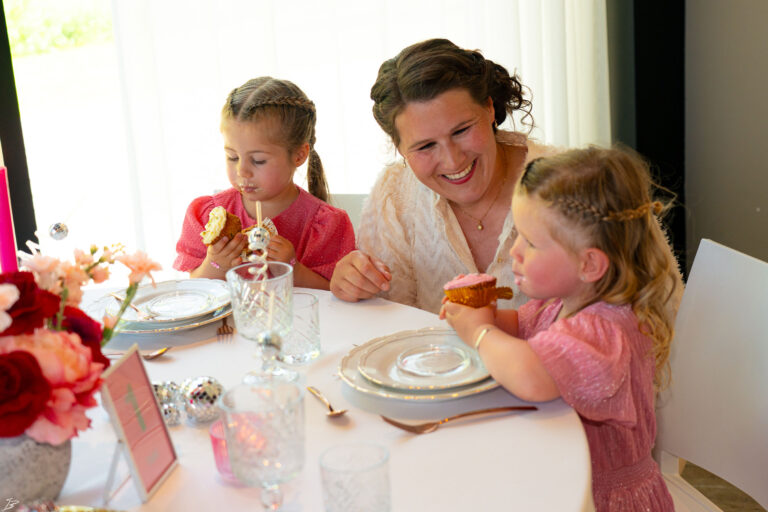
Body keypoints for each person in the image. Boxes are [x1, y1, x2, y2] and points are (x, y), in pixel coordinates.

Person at [441, 146, 683, 511]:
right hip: (562, 475)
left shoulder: (605, 333)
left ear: (589, 264)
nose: (514, 253)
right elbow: (523, 331)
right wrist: (481, 314)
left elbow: (530, 374)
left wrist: (479, 333)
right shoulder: (562, 302)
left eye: (532, 243)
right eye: (518, 235)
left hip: (600, 499)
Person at [329, 38, 557, 314]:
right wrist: (356, 287)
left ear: (489, 108)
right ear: (399, 148)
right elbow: (389, 322)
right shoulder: (394, 196)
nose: (452, 160)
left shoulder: (568, 184)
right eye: (425, 146)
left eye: (461, 131)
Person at [174, 77, 355, 289]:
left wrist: (292, 269)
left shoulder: (327, 225)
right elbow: (195, 289)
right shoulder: (206, 215)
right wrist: (216, 264)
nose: (242, 171)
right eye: (232, 157)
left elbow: (334, 295)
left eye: (258, 160)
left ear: (298, 155)